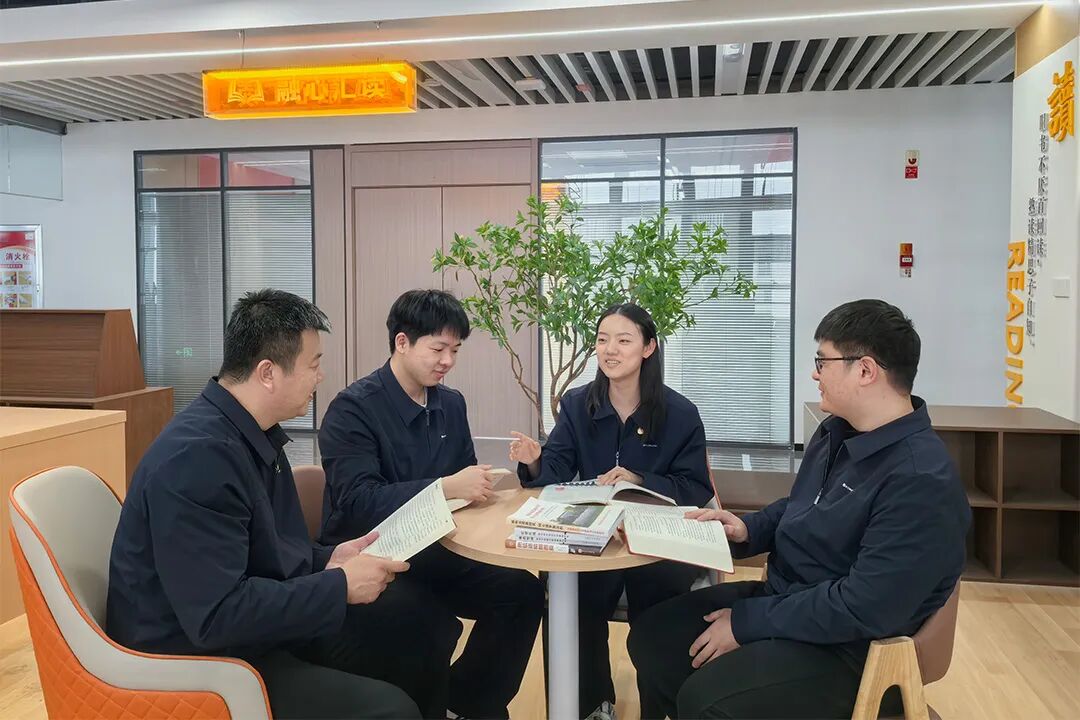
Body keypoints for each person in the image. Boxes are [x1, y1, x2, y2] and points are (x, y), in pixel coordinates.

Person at [108, 289, 461, 720]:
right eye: (313, 364)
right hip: (200, 660)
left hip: (253, 626)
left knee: (423, 624)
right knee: (392, 709)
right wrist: (339, 585)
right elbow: (217, 615)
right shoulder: (197, 458)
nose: (321, 376)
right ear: (268, 373)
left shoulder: (250, 434)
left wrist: (329, 559)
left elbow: (263, 553)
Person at [627, 298, 972, 719]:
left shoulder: (920, 480)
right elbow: (803, 505)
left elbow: (862, 607)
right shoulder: (837, 433)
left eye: (822, 361)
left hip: (851, 649)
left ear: (865, 371)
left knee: (707, 698)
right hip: (790, 600)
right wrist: (748, 529)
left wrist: (747, 623)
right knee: (653, 637)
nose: (815, 373)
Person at [318, 288, 545, 720]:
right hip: (374, 554)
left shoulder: (450, 403)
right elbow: (358, 502)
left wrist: (477, 487)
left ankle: (467, 704)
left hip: (439, 547)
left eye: (455, 350)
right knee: (430, 623)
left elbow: (462, 478)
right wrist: (444, 487)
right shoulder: (352, 409)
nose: (448, 361)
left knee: (522, 593)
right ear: (402, 342)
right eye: (438, 349)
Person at [509, 302, 713, 720]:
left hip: (657, 542)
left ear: (648, 348)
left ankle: (659, 707)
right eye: (603, 340)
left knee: (659, 597)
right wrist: (534, 460)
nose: (610, 350)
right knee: (571, 592)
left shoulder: (679, 413)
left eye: (623, 340)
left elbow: (695, 487)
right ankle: (591, 706)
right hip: (596, 534)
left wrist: (639, 480)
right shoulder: (578, 404)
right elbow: (556, 470)